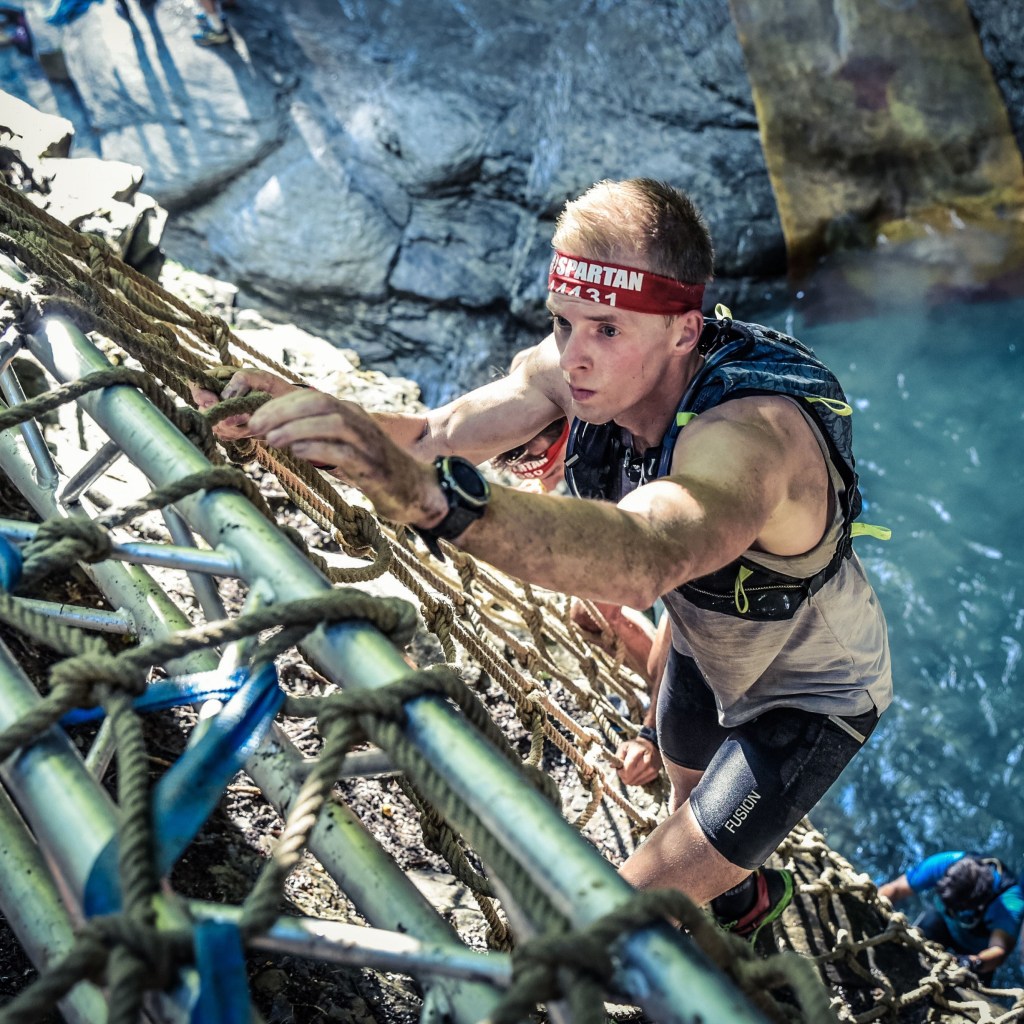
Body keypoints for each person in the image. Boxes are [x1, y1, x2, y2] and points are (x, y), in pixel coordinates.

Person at [191, 177, 893, 941]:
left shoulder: (751, 436)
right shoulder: (572, 371)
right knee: (681, 790)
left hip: (813, 694)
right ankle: (736, 897)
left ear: (684, 333)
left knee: (601, 919)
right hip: (700, 638)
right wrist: (304, 410)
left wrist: (437, 502)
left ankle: (725, 894)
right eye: (562, 323)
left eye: (607, 330)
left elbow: (651, 555)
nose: (576, 357)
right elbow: (433, 435)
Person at [879, 852, 1024, 975]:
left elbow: (998, 950)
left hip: (975, 950)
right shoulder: (949, 863)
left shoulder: (1009, 903)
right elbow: (895, 888)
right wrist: (875, 904)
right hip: (940, 924)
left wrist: (971, 963)